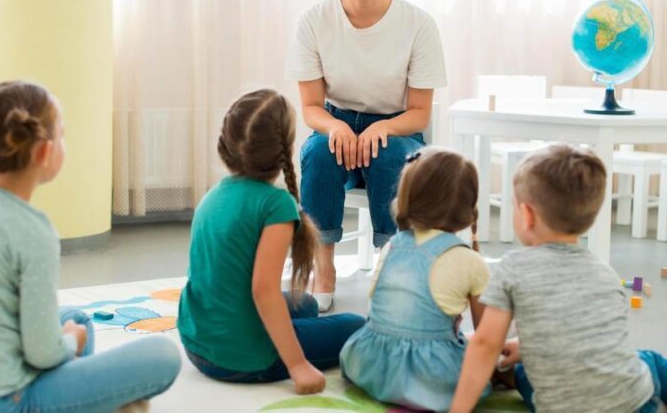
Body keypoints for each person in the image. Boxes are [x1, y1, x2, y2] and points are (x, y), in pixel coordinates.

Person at [0, 81, 180, 413]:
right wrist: (71, 341)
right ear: (44, 152)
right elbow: (42, 353)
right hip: (1, 401)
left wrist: (71, 334)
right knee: (162, 355)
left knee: (77, 317)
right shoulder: (32, 229)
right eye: (62, 134)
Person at [285, 0, 446, 311]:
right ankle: (323, 269)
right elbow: (310, 106)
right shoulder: (314, 21)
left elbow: (419, 112)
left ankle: (392, 270)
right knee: (318, 152)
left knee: (391, 155)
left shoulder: (418, 25)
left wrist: (383, 129)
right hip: (335, 123)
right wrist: (335, 127)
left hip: (397, 129)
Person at [450, 145, 667, 413]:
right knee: (651, 360)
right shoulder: (605, 273)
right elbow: (590, 340)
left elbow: (485, 344)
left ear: (527, 215)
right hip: (635, 403)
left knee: (514, 369)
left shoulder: (513, 268)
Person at [178, 89, 366, 395]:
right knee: (356, 325)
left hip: (197, 345)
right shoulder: (275, 205)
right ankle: (277, 351)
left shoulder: (212, 195)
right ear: (285, 148)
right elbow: (263, 291)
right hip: (241, 358)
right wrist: (298, 366)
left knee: (304, 303)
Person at [340, 148, 490, 411]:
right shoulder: (468, 260)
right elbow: (485, 337)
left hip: (370, 365)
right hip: (431, 378)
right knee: (496, 362)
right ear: (468, 206)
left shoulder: (391, 246)